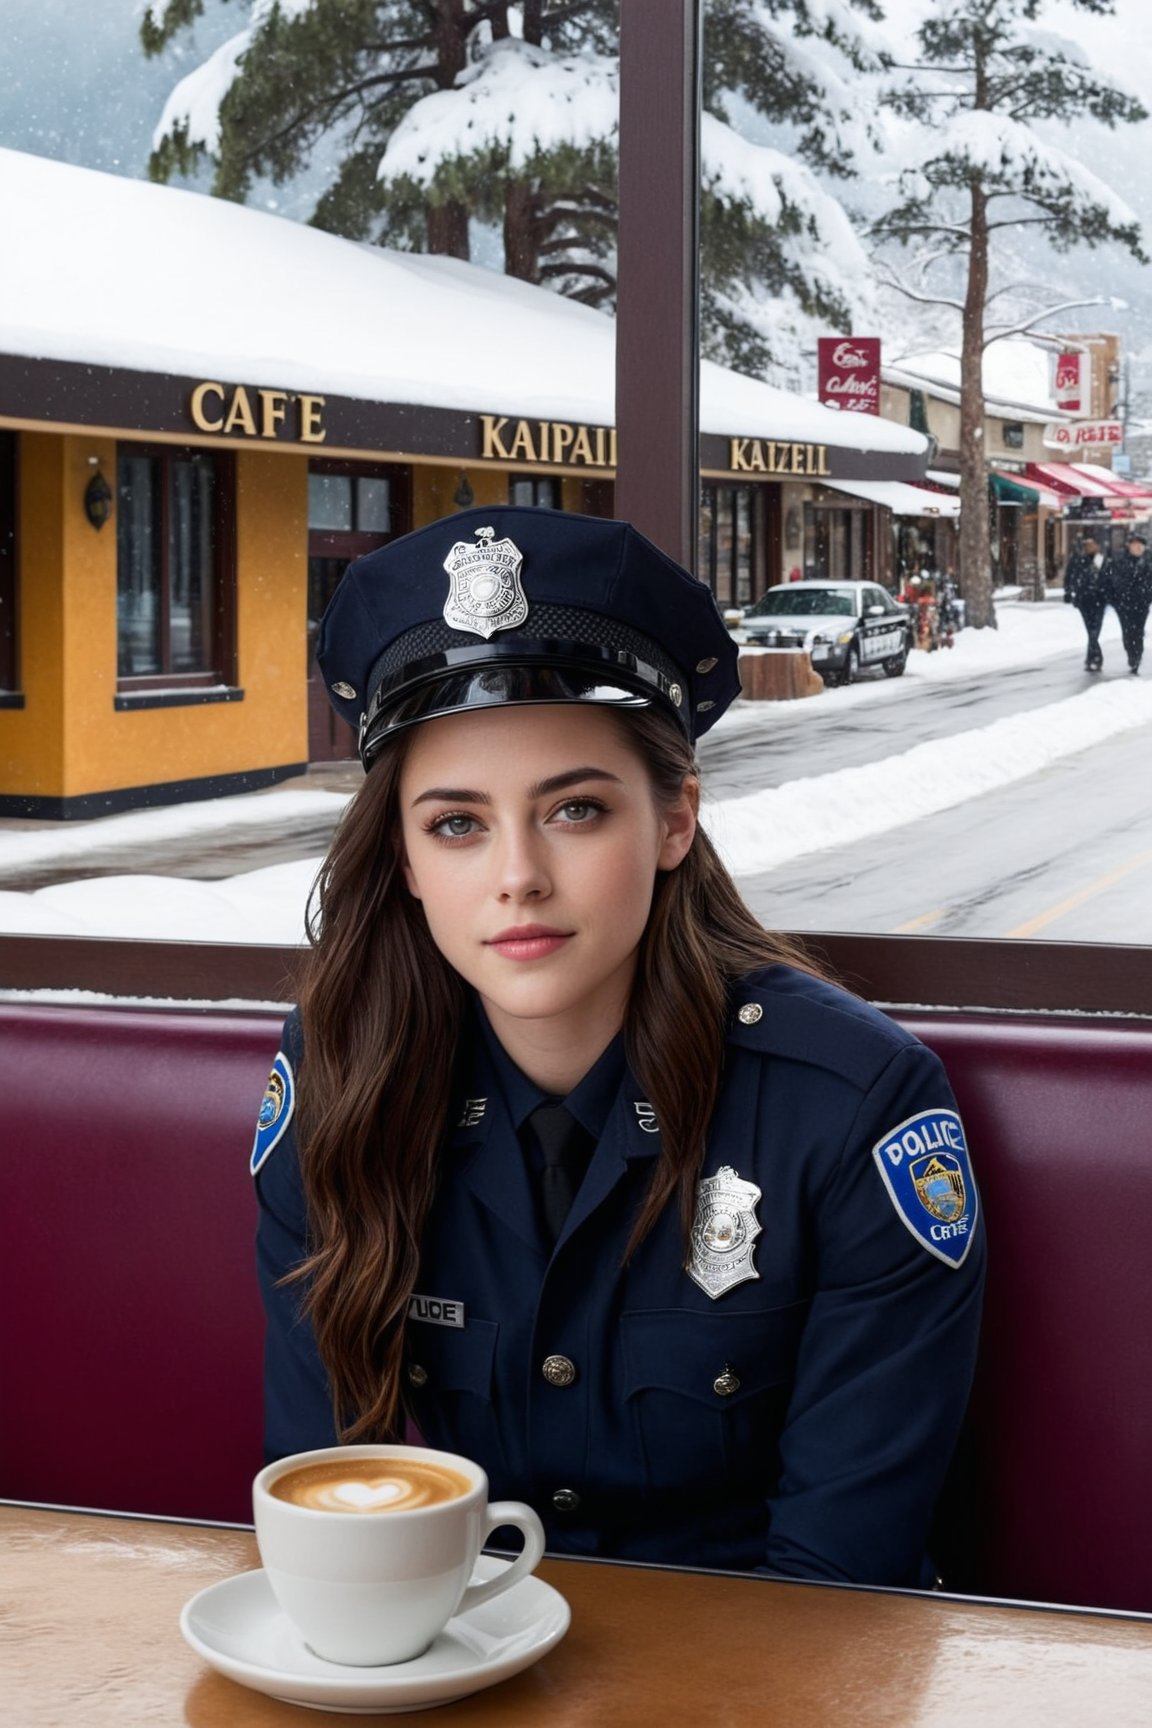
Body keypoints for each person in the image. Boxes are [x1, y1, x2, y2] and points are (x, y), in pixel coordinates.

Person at [252, 505, 985, 1589]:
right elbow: (324, 1513)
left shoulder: (851, 1108)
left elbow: (841, 1582)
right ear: (404, 860)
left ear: (676, 820)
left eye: (576, 810)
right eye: (457, 823)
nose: (517, 879)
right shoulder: (342, 1079)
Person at [1063, 532, 1115, 671]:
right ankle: (1094, 657)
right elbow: (1070, 576)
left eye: (1092, 544)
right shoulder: (1078, 559)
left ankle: (1093, 657)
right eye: (1087, 545)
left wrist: (1110, 595)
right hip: (1083, 599)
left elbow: (1110, 580)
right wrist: (1068, 592)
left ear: (1098, 546)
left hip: (1099, 599)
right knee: (1090, 628)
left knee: (1095, 629)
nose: (1089, 547)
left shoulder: (1103, 560)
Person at [1111, 532, 1152, 674]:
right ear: (1129, 546)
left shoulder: (1148, 562)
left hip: (1142, 603)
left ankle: (1137, 657)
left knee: (1138, 631)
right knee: (1128, 631)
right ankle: (1131, 653)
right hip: (1124, 604)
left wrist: (1147, 595)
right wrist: (1116, 599)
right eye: (1134, 545)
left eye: (1139, 545)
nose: (1137, 548)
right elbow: (1114, 580)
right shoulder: (1121, 561)